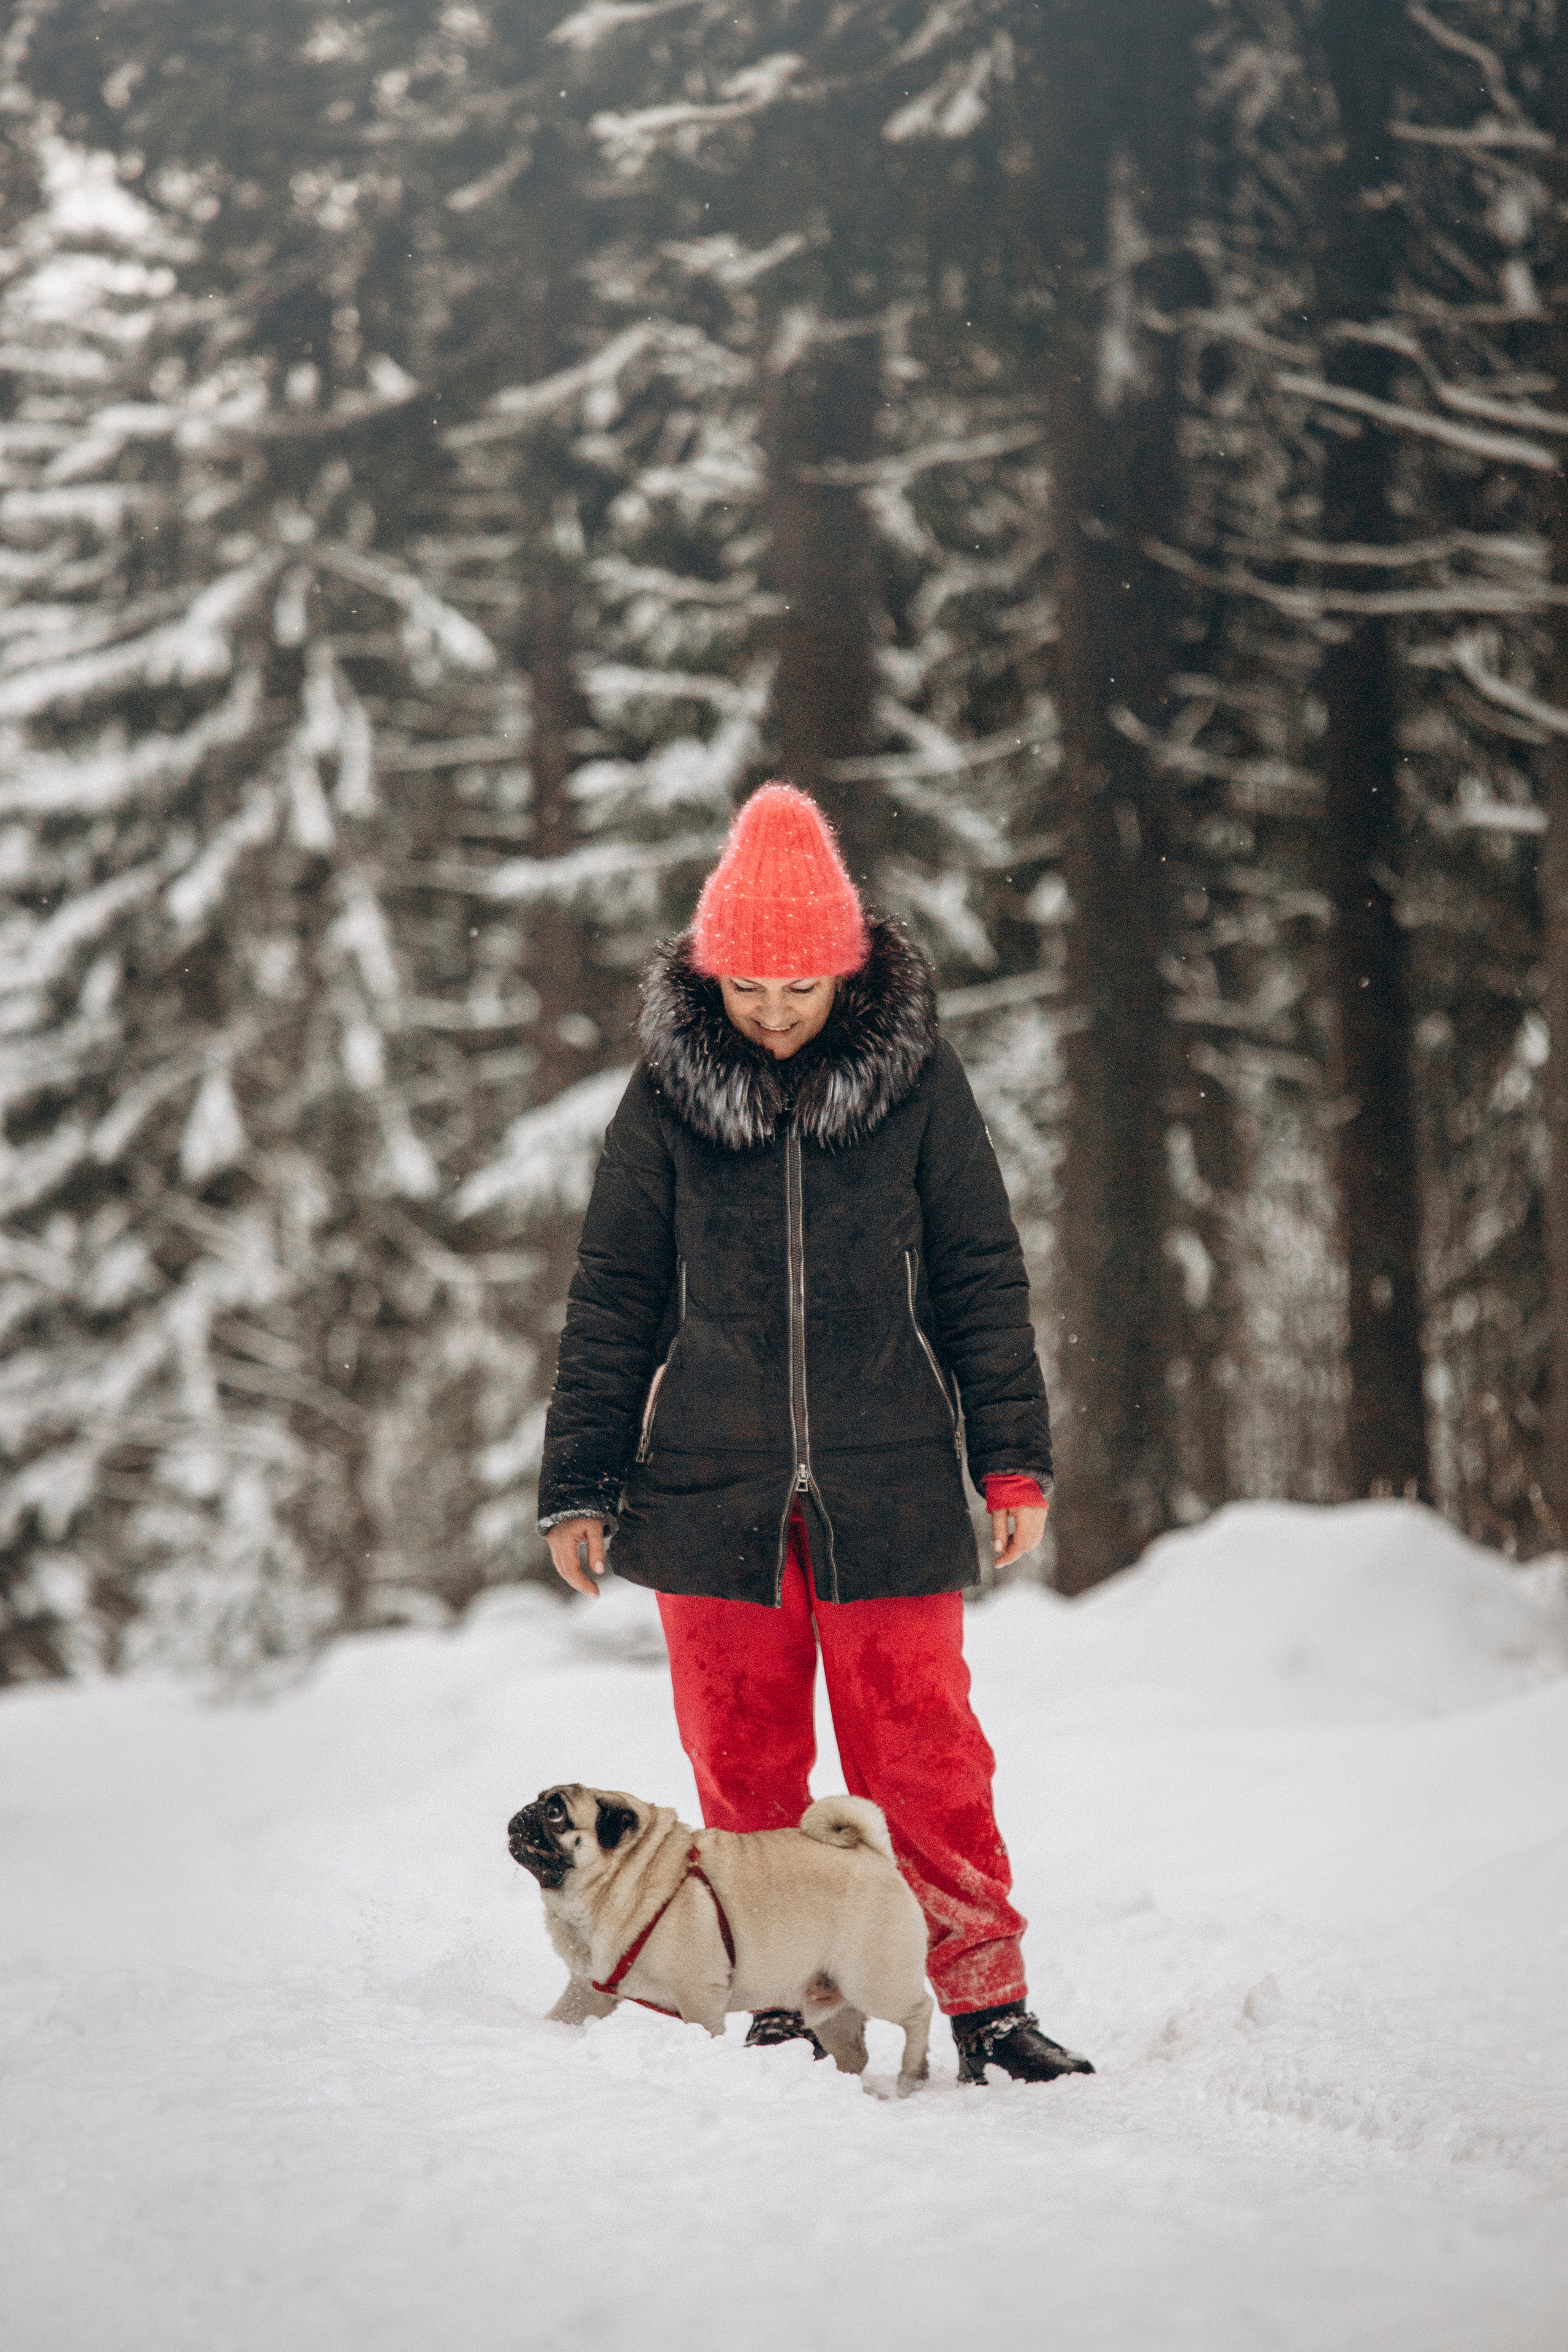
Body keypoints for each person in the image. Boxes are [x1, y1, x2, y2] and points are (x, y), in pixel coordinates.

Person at [537, 783, 1093, 2086]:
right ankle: (780, 2001)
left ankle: (984, 2002)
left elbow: (978, 1275)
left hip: (889, 1478)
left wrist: (1011, 1459)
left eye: (801, 987)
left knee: (924, 1758)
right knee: (742, 1765)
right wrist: (582, 1482)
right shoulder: (665, 1097)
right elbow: (615, 1297)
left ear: (846, 971)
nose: (776, 1012)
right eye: (748, 988)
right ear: (710, 975)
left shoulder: (917, 1084)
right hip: (705, 1486)